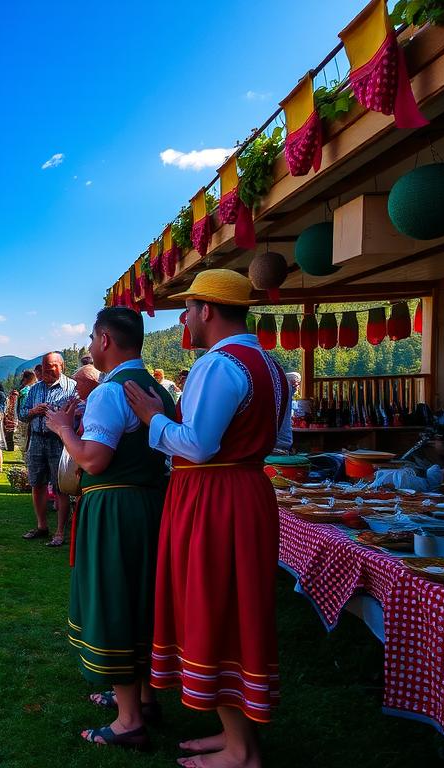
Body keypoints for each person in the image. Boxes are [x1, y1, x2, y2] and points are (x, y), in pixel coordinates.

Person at [122, 269, 292, 768]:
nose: (184, 317)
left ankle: (241, 751)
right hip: (246, 490)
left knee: (213, 605)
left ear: (209, 310)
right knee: (235, 605)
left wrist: (155, 419)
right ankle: (235, 735)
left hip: (212, 496)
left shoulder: (218, 365)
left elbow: (197, 444)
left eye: (190, 307)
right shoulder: (270, 365)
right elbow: (279, 442)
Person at [46, 308, 176, 750]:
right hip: (153, 504)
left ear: (105, 340)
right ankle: (143, 698)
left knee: (115, 599)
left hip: (115, 507)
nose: (87, 346)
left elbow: (93, 460)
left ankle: (128, 721)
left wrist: (64, 428)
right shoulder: (159, 389)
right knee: (142, 599)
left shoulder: (109, 392)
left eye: (90, 338)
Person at [19, 353, 78, 547]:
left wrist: (59, 413)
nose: (46, 369)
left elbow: (79, 413)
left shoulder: (72, 387)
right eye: (44, 366)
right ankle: (42, 526)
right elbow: (21, 414)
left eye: (51, 366)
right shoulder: (34, 389)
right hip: (37, 440)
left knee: (61, 487)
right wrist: (34, 411)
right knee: (37, 484)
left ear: (62, 366)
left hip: (59, 442)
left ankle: (60, 532)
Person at [11, 369, 37, 454]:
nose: (23, 380)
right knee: (24, 437)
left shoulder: (29, 389)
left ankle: (27, 453)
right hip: (23, 415)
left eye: (24, 378)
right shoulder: (26, 389)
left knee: (25, 436)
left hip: (26, 416)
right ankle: (26, 452)